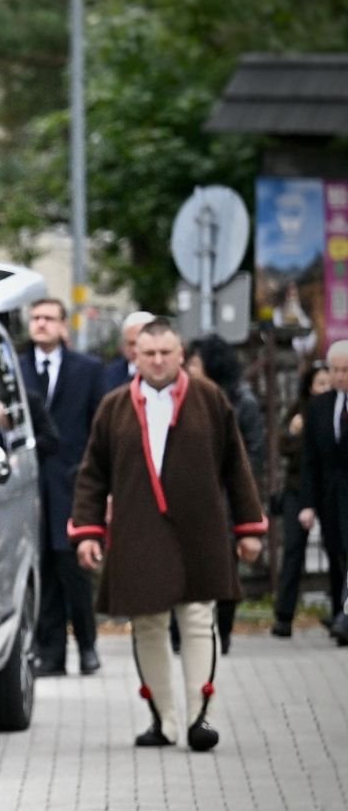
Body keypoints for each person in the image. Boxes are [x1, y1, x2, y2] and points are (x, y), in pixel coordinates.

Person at [68, 321, 267, 751]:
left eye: (166, 352)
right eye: (149, 353)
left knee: (198, 619)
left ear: (181, 355)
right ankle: (164, 720)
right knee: (148, 623)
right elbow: (92, 474)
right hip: (139, 530)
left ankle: (199, 719)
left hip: (200, 530)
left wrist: (249, 527)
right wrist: (87, 531)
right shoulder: (115, 407)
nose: (158, 361)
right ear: (135, 356)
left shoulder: (209, 399)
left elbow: (236, 466)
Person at [19, 297, 107, 676]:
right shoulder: (17, 369)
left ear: (63, 325)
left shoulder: (88, 369)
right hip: (29, 486)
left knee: (73, 569)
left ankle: (87, 646)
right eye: (36, 318)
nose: (41, 324)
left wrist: (101, 482)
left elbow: (99, 428)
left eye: (49, 318)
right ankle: (51, 653)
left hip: (73, 485)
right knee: (42, 569)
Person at [187, 334, 267, 653]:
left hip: (228, 497)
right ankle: (186, 632)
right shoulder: (185, 398)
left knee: (225, 566)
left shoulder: (240, 401)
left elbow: (255, 451)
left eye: (195, 363)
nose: (190, 369)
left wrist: (240, 489)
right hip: (194, 495)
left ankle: (222, 629)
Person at [273, 361, 333, 637]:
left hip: (329, 489)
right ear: (309, 387)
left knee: (337, 550)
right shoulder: (300, 411)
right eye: (320, 383)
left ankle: (340, 612)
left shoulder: (338, 409)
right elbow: (284, 446)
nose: (325, 388)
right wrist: (294, 432)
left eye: (328, 383)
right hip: (298, 488)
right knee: (293, 548)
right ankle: (284, 615)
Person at [298, 340, 348, 646]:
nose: (340, 376)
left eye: (346, 370)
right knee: (335, 553)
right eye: (335, 370)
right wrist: (308, 504)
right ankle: (339, 614)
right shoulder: (319, 407)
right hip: (331, 495)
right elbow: (310, 459)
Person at [102, 310, 157, 392]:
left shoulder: (170, 374)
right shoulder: (109, 375)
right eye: (131, 344)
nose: (135, 350)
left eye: (141, 343)